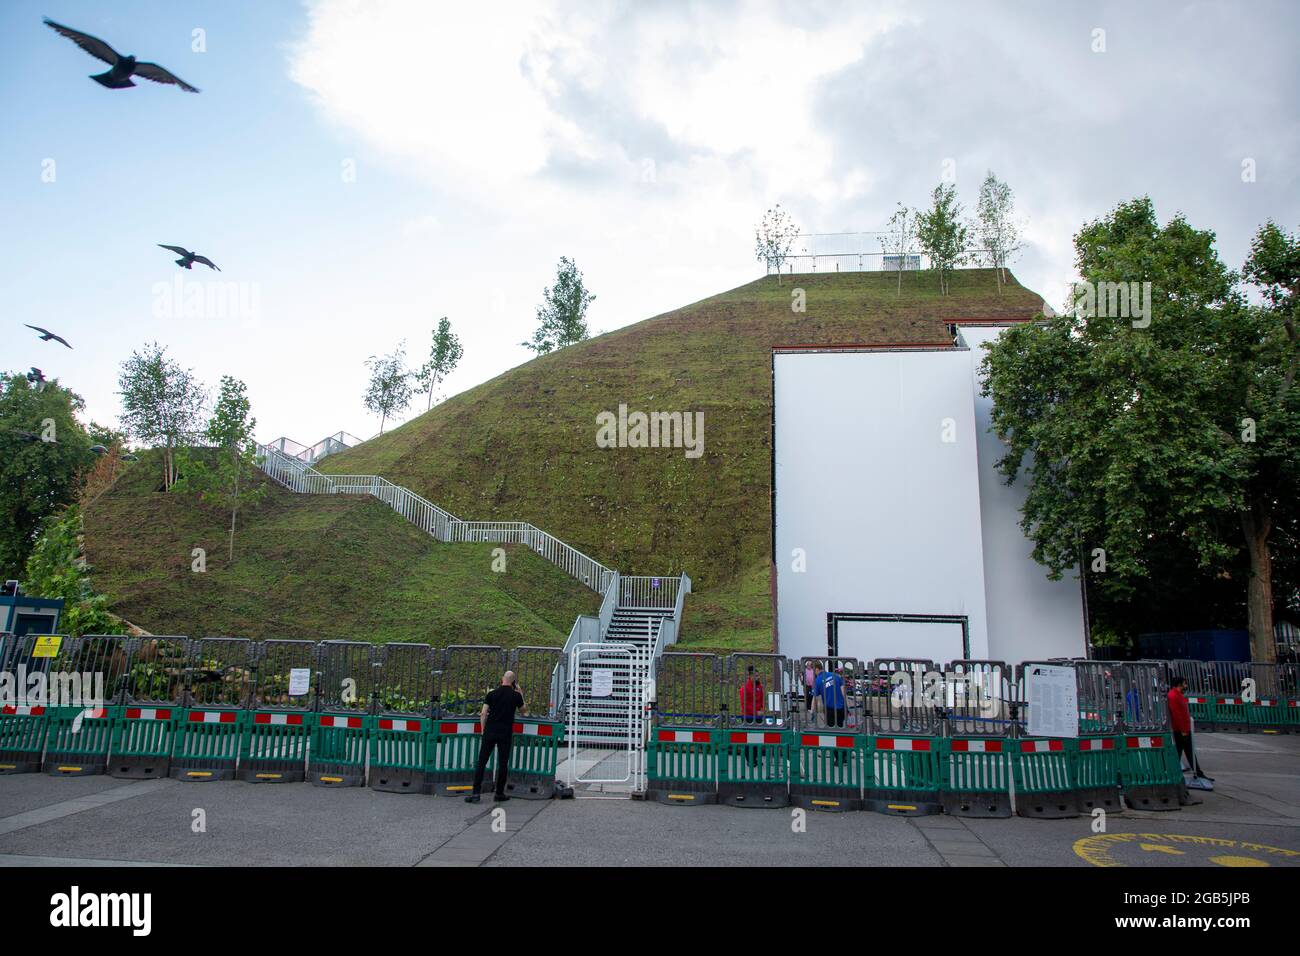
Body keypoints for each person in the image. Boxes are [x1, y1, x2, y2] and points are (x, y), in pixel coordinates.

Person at [465, 670, 526, 803]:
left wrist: (483, 730)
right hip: (505, 733)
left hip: (490, 732)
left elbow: (483, 713)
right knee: (503, 764)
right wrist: (520, 693)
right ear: (513, 682)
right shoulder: (515, 696)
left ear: (502, 679)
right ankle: (499, 793)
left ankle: (476, 793)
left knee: (482, 762)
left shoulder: (491, 694)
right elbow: (523, 711)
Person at [1167, 675, 1204, 780]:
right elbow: (1177, 714)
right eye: (1185, 684)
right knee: (1181, 752)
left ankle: (1198, 773)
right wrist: (1183, 730)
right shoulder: (1173, 696)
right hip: (1180, 730)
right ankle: (1173, 773)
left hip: (1184, 729)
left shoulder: (1178, 695)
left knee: (1187, 752)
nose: (1186, 686)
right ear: (1179, 684)